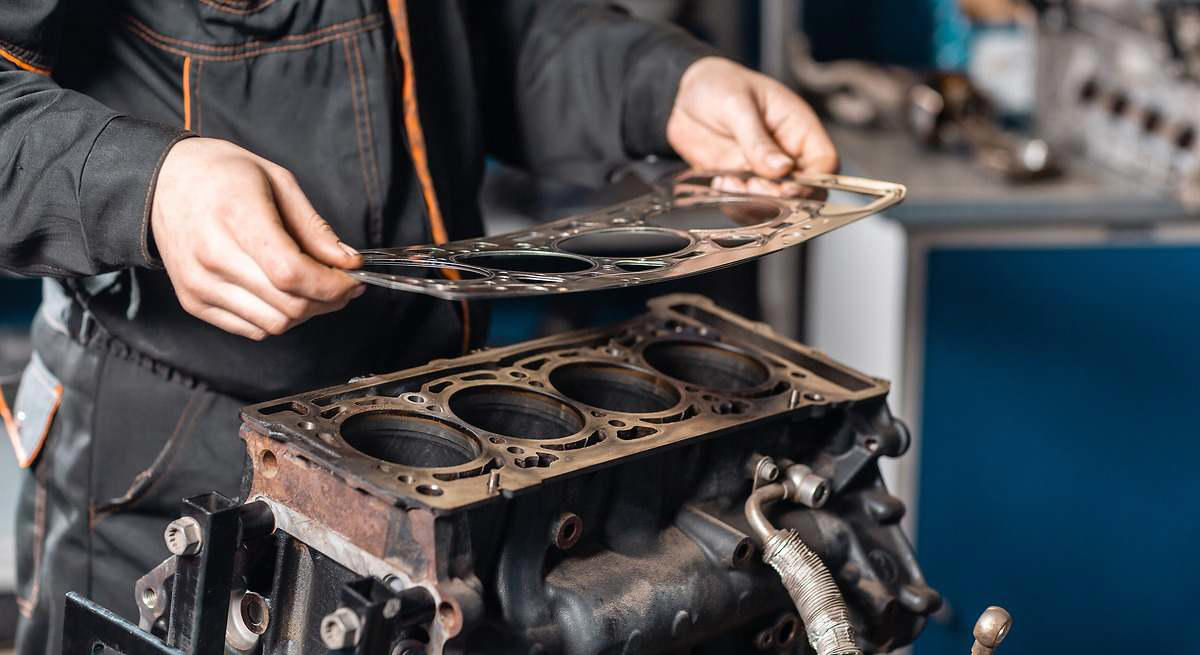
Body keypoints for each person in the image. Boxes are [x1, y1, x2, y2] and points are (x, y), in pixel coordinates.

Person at [0, 2, 836, 652]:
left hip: (440, 441)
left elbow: (493, 33)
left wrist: (665, 87)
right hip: (173, 482)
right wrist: (150, 184)